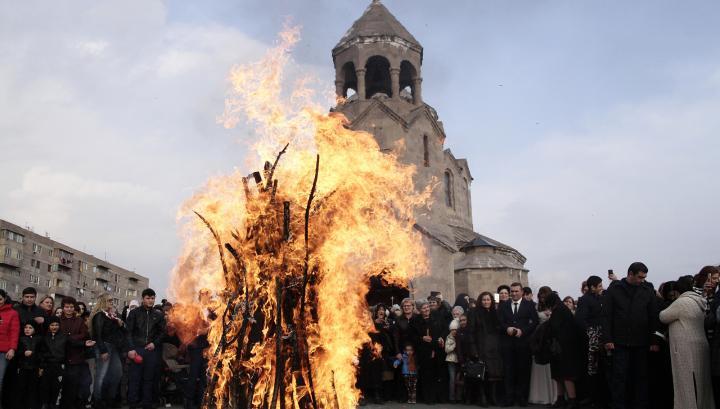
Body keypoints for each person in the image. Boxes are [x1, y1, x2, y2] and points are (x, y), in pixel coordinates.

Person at [602, 262, 659, 409]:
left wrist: (654, 340)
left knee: (641, 378)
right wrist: (608, 338)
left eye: (644, 277)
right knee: (619, 378)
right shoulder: (614, 289)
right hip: (620, 342)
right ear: (630, 274)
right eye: (640, 277)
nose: (642, 280)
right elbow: (607, 315)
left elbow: (653, 316)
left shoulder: (647, 290)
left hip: (641, 342)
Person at [659, 276, 715, 409]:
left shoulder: (682, 302)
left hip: (685, 346)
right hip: (700, 343)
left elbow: (663, 316)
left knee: (685, 383)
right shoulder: (699, 300)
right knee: (702, 382)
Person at [499, 282, 539, 407]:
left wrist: (523, 331)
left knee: (523, 372)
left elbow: (535, 322)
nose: (514, 293)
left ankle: (522, 398)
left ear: (522, 292)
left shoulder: (529, 305)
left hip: (523, 344)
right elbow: (499, 322)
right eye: (512, 291)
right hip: (508, 344)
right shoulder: (503, 306)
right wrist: (507, 328)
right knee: (509, 371)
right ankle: (509, 398)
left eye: (516, 291)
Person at [127, 288, 166, 409]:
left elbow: (163, 333)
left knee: (149, 379)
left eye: (152, 298)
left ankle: (147, 404)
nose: (150, 300)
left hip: (151, 351)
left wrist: (155, 343)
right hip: (137, 350)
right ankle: (133, 404)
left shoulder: (159, 315)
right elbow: (128, 332)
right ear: (143, 299)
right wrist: (131, 348)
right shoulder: (134, 313)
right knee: (135, 379)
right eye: (148, 298)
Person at [575, 275, 608, 409]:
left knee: (601, 368)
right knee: (592, 368)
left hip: (602, 337)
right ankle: (592, 396)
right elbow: (580, 320)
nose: (601, 288)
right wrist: (592, 333)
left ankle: (601, 396)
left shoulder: (601, 298)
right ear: (592, 287)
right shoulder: (584, 300)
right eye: (599, 286)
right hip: (592, 340)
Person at [546, 293, 584, 409]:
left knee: (565, 375)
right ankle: (563, 399)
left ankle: (570, 400)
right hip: (564, 348)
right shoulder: (563, 309)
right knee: (561, 375)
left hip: (563, 349)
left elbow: (554, 327)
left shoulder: (558, 311)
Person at [91, 293, 125, 409]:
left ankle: (110, 399)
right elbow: (98, 335)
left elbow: (120, 332)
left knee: (117, 373)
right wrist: (103, 350)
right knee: (101, 375)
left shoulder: (112, 316)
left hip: (114, 348)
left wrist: (120, 324)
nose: (112, 302)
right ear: (103, 301)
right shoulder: (99, 315)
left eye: (112, 300)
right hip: (104, 346)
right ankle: (97, 402)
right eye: (109, 300)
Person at [60, 296, 95, 409]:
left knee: (76, 387)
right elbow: (60, 338)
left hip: (77, 358)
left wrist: (69, 338)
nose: (69, 309)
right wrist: (73, 339)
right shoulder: (58, 320)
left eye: (71, 307)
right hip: (62, 357)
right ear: (63, 307)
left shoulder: (79, 321)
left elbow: (84, 335)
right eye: (66, 307)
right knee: (64, 387)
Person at [473, 292, 504, 406]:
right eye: (484, 300)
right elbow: (471, 332)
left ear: (491, 301)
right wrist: (473, 350)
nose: (486, 302)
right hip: (482, 347)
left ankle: (493, 396)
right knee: (483, 374)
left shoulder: (495, 313)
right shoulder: (475, 313)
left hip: (494, 347)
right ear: (480, 301)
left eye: (488, 300)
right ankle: (483, 397)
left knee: (494, 374)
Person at [410, 300, 443, 404]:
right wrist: (422, 338)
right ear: (419, 310)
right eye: (424, 308)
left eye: (427, 307)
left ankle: (435, 397)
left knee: (435, 375)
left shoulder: (435, 318)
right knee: (425, 375)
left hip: (436, 350)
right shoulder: (415, 321)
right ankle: (427, 398)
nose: (426, 309)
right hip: (423, 352)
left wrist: (440, 339)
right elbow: (412, 337)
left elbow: (440, 332)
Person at [529, 286, 556, 406]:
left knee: (552, 369)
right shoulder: (536, 307)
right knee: (539, 368)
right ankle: (540, 395)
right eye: (541, 297)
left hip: (551, 340)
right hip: (540, 340)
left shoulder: (555, 307)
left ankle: (553, 396)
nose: (542, 299)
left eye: (544, 297)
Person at [393, 298, 417, 401]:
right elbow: (395, 337)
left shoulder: (417, 318)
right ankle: (402, 396)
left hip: (415, 350)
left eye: (409, 305)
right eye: (405, 306)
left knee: (414, 374)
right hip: (403, 351)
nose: (407, 307)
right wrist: (397, 352)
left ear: (412, 307)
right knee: (403, 374)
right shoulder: (399, 320)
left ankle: (414, 396)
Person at [40, 315, 66, 409]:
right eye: (52, 325)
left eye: (56, 325)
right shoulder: (45, 338)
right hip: (47, 366)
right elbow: (42, 353)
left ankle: (53, 405)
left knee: (56, 387)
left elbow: (72, 344)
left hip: (58, 367)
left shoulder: (63, 337)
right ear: (48, 326)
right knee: (45, 387)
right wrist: (42, 366)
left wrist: (84, 343)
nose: (54, 327)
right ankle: (45, 404)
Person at [0, 288, 20, 406]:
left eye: (0, 299)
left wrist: (12, 348)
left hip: (3, 352)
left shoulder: (12, 313)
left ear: (4, 299)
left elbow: (14, 332)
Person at [16, 322, 41, 409]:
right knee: (21, 389)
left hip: (35, 368)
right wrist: (23, 353)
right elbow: (16, 352)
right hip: (23, 367)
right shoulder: (20, 339)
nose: (27, 329)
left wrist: (34, 355)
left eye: (30, 328)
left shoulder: (39, 339)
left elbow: (41, 353)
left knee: (33, 389)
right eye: (26, 327)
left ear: (35, 329)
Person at [445, 319, 460, 403]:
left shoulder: (460, 336)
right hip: (451, 360)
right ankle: (452, 397)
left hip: (460, 360)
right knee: (452, 379)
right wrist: (454, 345)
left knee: (459, 379)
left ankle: (459, 397)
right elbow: (447, 350)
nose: (454, 331)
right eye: (452, 329)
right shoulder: (449, 337)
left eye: (455, 329)